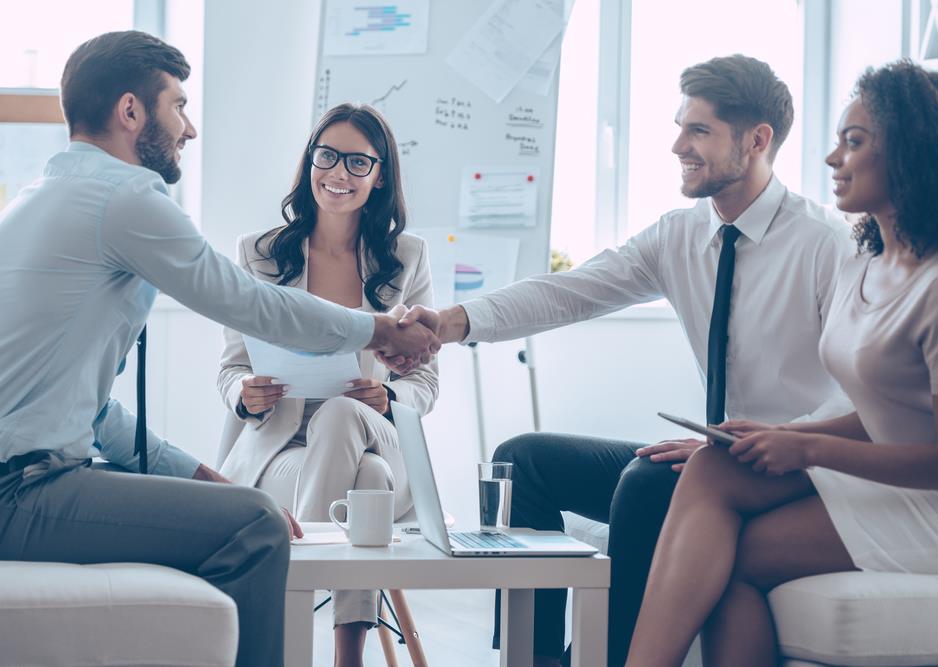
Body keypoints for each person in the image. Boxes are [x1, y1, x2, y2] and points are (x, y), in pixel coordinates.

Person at [399, 54, 854, 666]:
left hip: (790, 470)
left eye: (698, 131)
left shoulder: (826, 245)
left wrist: (746, 447)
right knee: (524, 461)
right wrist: (451, 323)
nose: (676, 146)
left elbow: (857, 394)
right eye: (678, 126)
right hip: (714, 457)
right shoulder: (679, 235)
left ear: (757, 140)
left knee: (644, 484)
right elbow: (572, 291)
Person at [0, 31, 437, 667]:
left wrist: (201, 475)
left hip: (29, 478)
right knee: (256, 525)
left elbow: (89, 413)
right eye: (178, 105)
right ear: (131, 111)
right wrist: (379, 329)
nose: (190, 127)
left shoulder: (38, 201)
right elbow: (245, 302)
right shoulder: (124, 198)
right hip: (23, 492)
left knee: (249, 504)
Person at [625, 60, 938, 667]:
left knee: (727, 558)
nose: (831, 159)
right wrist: (786, 433)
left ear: (912, 156)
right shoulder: (866, 260)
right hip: (893, 473)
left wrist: (808, 448)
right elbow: (888, 412)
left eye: (854, 143)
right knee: (714, 471)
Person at [217, 102, 437, 666]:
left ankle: (288, 626)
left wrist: (389, 398)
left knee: (345, 417)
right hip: (284, 443)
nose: (339, 173)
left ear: (380, 174)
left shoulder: (407, 258)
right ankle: (348, 658)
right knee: (369, 481)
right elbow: (231, 366)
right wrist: (244, 394)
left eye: (358, 162)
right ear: (309, 162)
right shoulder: (260, 254)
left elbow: (427, 383)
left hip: (372, 429)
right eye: (327, 156)